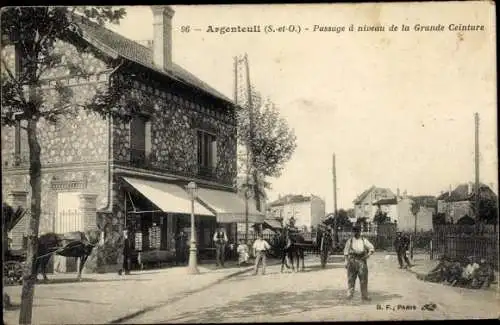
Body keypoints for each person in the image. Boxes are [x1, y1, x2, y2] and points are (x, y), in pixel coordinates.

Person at [343, 225, 375, 301]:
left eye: (357, 231)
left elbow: (371, 248)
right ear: (353, 232)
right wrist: (346, 262)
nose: (356, 233)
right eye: (354, 231)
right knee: (351, 279)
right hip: (352, 261)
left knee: (363, 279)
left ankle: (364, 295)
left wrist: (368, 255)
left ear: (360, 232)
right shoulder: (350, 241)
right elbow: (346, 252)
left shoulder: (364, 240)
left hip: (361, 261)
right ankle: (350, 294)